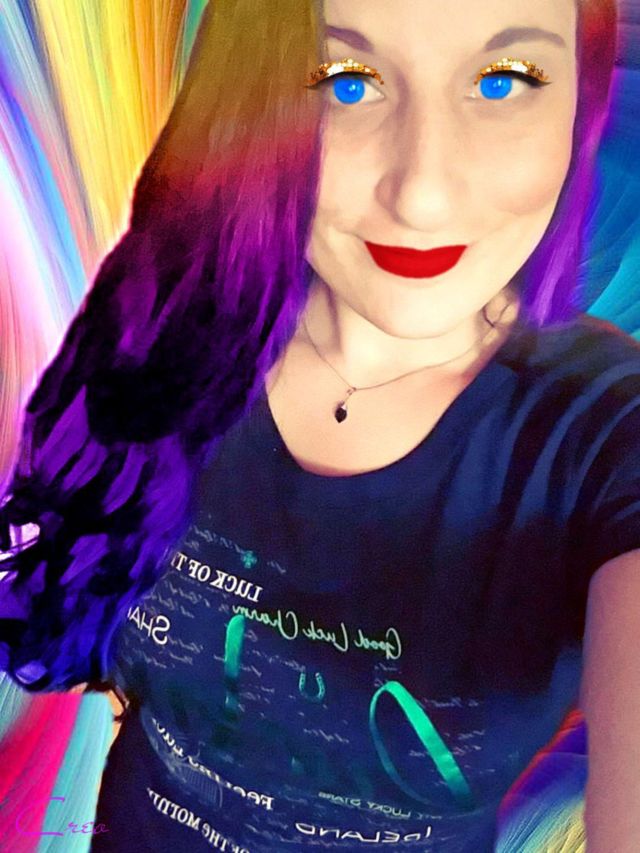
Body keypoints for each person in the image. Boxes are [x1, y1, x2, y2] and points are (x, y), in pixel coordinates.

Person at [0, 0, 637, 849]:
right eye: (347, 80)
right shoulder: (170, 321)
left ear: (579, 105)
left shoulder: (606, 436)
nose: (422, 194)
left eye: (502, 80)